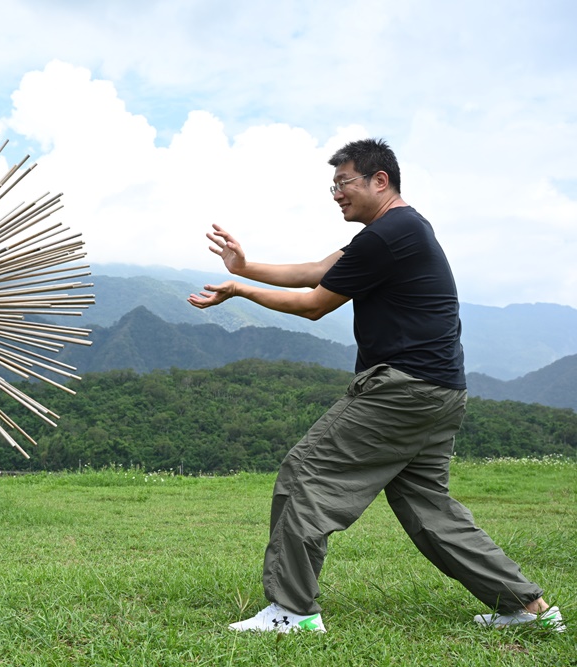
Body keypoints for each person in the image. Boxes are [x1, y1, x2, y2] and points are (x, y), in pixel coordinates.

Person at [187, 138, 564, 634]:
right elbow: (319, 270)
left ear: (379, 180)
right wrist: (245, 266)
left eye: (344, 183)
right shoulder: (397, 230)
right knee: (429, 507)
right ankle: (526, 609)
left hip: (402, 389)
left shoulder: (390, 233)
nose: (336, 194)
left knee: (306, 474)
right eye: (333, 185)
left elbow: (315, 302)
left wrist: (240, 289)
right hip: (440, 390)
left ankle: (292, 612)